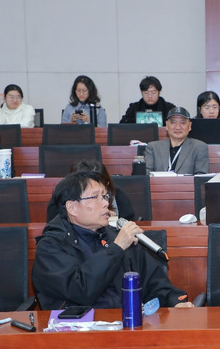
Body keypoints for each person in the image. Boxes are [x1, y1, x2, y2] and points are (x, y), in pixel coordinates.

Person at [32, 170, 193, 309]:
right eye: (95, 197)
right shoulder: (51, 246)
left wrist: (174, 302)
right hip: (77, 328)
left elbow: (154, 283)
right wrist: (116, 249)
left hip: (127, 323)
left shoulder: (115, 236)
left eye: (105, 196)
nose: (105, 203)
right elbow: (80, 290)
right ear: (72, 208)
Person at [45, 160, 135, 223]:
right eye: (94, 196)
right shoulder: (60, 198)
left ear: (107, 184)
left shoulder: (119, 196)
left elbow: (129, 225)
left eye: (103, 195)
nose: (105, 203)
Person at [144, 107, 209, 174]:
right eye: (173, 122)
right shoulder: (153, 147)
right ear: (167, 125)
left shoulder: (199, 147)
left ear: (189, 126)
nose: (178, 127)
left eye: (183, 123)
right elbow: (146, 174)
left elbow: (200, 176)